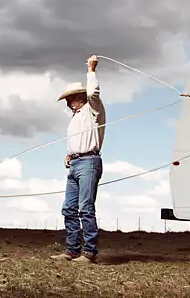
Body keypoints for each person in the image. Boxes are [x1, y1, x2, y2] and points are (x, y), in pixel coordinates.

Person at [51, 55, 106, 263]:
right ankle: (72, 250)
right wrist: (70, 154)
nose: (67, 103)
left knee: (85, 208)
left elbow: (93, 93)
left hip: (89, 162)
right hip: (75, 164)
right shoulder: (76, 118)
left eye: (70, 99)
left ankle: (90, 252)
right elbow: (78, 140)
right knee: (69, 208)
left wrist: (91, 70)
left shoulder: (93, 109)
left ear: (80, 97)